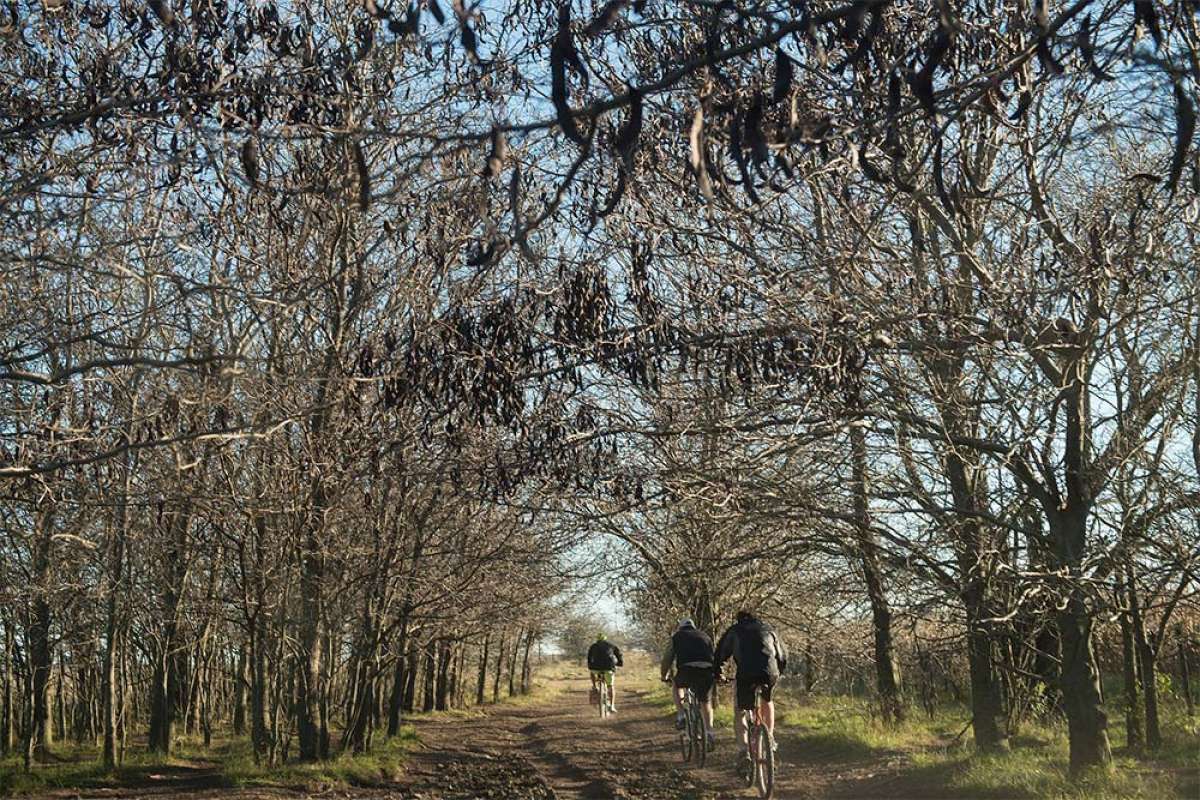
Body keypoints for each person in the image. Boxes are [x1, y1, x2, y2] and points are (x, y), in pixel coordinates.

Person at [715, 610, 787, 766]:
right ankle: (770, 738)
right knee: (767, 700)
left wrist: (718, 673)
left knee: (740, 710)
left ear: (739, 619)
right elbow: (782, 655)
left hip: (746, 673)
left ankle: (744, 751)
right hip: (770, 672)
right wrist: (778, 672)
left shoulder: (735, 630)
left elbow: (721, 653)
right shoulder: (769, 629)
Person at [660, 618, 717, 749]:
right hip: (706, 670)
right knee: (706, 702)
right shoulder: (705, 636)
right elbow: (713, 654)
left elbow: (667, 658)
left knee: (676, 685)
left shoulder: (677, 637)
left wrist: (664, 675)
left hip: (686, 670)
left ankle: (681, 715)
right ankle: (709, 732)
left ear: (680, 628)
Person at [586, 633, 623, 713]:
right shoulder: (612, 645)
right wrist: (620, 663)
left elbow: (589, 657)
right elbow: (619, 655)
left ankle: (594, 686)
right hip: (608, 668)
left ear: (597, 639)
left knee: (592, 672)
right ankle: (612, 706)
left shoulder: (593, 646)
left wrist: (590, 666)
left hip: (595, 667)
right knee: (610, 686)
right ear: (605, 639)